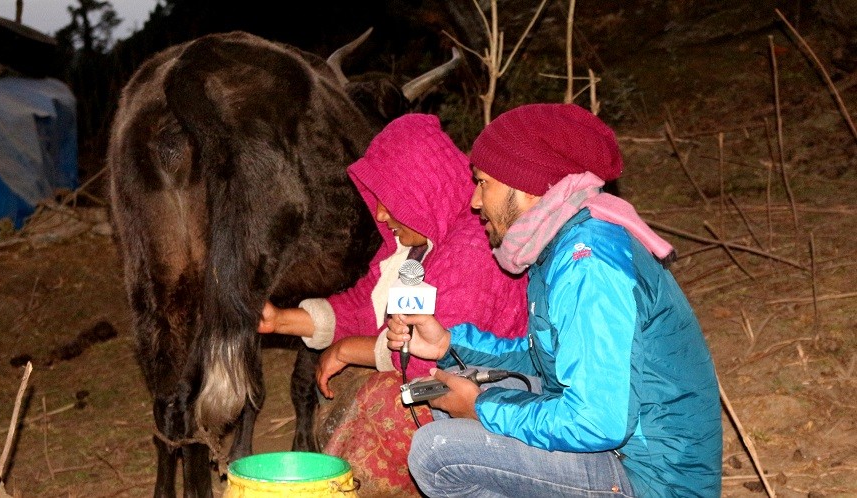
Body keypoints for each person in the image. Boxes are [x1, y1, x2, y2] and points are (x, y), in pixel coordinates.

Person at [386, 103, 722, 497]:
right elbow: (549, 358)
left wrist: (481, 407)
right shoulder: (563, 244)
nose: (476, 202)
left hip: (650, 480)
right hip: (627, 452)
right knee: (464, 391)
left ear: (525, 186)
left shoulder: (589, 262)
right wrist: (447, 344)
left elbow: (598, 421)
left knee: (438, 452)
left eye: (483, 183)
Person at [258, 113, 529, 495]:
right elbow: (362, 308)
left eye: (390, 201)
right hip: (447, 384)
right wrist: (280, 321)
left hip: (491, 393)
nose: (381, 215)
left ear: (420, 190)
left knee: (382, 402)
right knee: (357, 397)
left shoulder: (472, 247)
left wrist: (350, 349)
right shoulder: (417, 246)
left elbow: (430, 360)